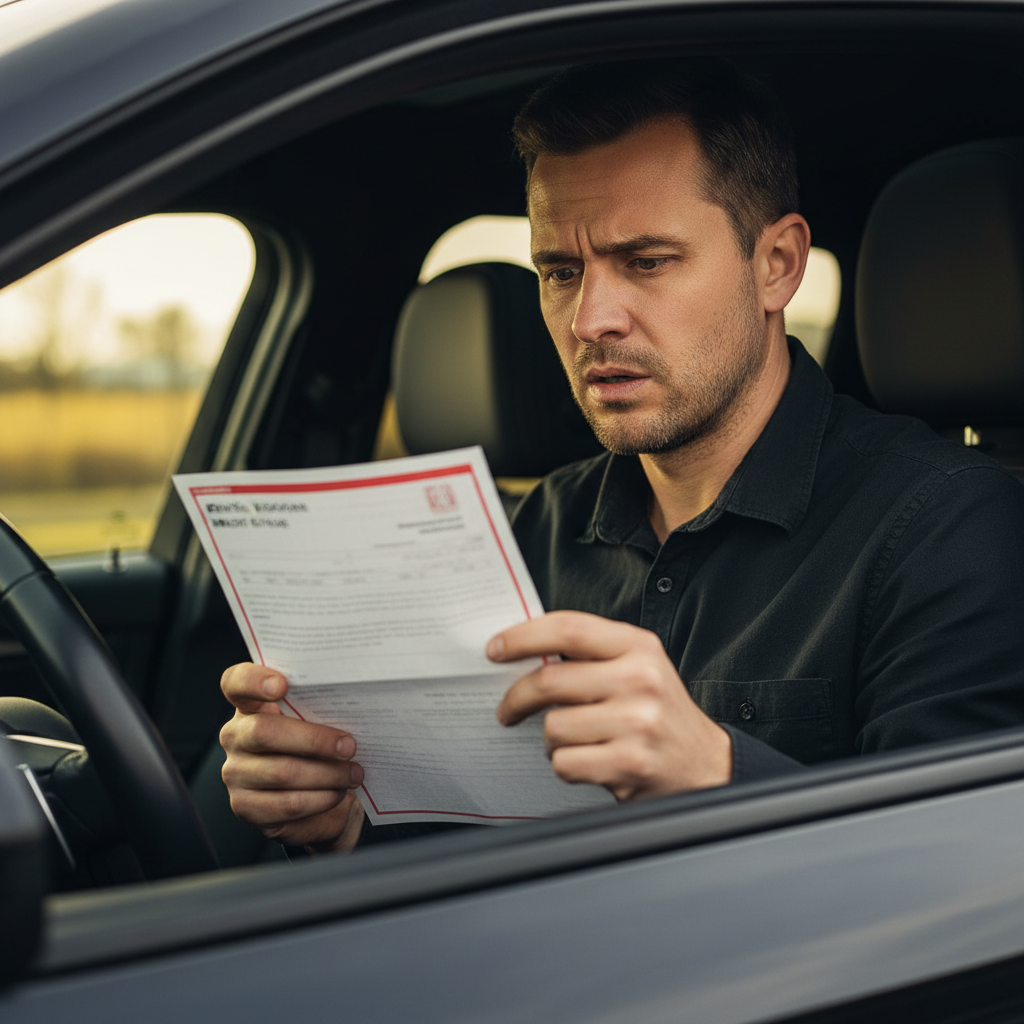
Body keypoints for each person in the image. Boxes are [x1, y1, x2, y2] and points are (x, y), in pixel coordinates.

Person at [219, 59, 1024, 854]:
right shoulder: (528, 535)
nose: (590, 319)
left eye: (646, 261)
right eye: (561, 271)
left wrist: (716, 774)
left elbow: (965, 877)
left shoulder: (945, 528)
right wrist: (344, 822)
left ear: (776, 267)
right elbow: (473, 851)